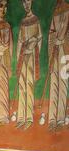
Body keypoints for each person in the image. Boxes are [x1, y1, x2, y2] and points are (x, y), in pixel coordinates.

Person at [16, 0, 42, 129]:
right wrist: (18, 59)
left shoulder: (36, 19)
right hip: (22, 56)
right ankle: (21, 117)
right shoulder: (22, 22)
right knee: (22, 86)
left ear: (31, 3)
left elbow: (39, 37)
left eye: (28, 2)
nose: (26, 5)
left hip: (31, 55)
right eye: (24, 3)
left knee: (29, 85)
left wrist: (33, 47)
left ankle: (29, 118)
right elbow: (20, 41)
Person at [48, 0, 69, 130]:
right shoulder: (55, 10)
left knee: (63, 82)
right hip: (55, 50)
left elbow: (66, 26)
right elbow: (51, 31)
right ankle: (52, 118)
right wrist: (53, 40)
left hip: (65, 51)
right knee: (54, 82)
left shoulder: (67, 8)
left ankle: (60, 119)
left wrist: (59, 37)